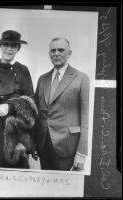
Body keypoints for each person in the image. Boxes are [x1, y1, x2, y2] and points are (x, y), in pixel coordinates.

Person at [0, 30, 36, 168]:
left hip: (14, 131)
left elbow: (31, 104)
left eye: (13, 46)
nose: (9, 49)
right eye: (5, 44)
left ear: (18, 49)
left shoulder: (23, 70)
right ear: (0, 46)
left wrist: (9, 107)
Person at [34, 37, 90, 171]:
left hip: (68, 147)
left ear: (69, 53)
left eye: (61, 50)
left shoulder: (81, 78)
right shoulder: (42, 79)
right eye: (53, 50)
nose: (56, 53)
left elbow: (86, 119)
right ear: (49, 54)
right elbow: (36, 114)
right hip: (44, 145)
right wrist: (34, 144)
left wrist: (81, 153)